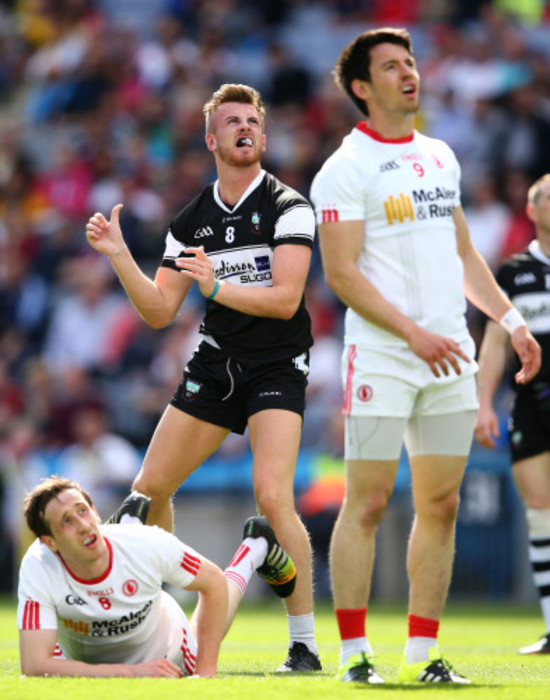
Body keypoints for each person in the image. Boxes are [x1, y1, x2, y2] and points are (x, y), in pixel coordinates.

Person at [309, 28, 541, 684]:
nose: (409, 73)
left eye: (410, 62)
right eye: (391, 66)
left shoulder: (440, 155)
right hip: (384, 356)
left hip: (451, 356)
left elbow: (465, 255)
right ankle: (355, 656)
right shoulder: (344, 169)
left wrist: (511, 319)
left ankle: (423, 653)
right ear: (363, 87)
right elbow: (342, 274)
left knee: (440, 505)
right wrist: (413, 334)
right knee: (369, 503)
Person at [84, 83, 320, 672]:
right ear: (211, 139)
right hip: (215, 366)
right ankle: (168, 624)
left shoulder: (289, 205)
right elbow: (161, 310)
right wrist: (118, 256)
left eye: (252, 122)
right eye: (231, 122)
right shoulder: (191, 219)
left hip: (276, 365)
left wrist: (214, 287)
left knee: (272, 494)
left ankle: (305, 643)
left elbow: (287, 300)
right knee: (148, 490)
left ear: (262, 138)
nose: (244, 129)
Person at [17, 476, 297, 677]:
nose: (82, 525)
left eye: (83, 511)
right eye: (66, 521)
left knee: (205, 624)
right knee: (52, 670)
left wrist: (206, 674)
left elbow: (212, 581)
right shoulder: (38, 565)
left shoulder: (147, 543)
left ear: (96, 513)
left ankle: (254, 548)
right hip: (93, 655)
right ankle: (129, 524)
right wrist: (131, 672)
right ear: (49, 543)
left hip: (168, 650)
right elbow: (34, 665)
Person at [475, 173, 550, 656]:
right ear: (532, 209)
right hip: (532, 405)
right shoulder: (513, 271)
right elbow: (496, 342)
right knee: (541, 515)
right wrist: (483, 403)